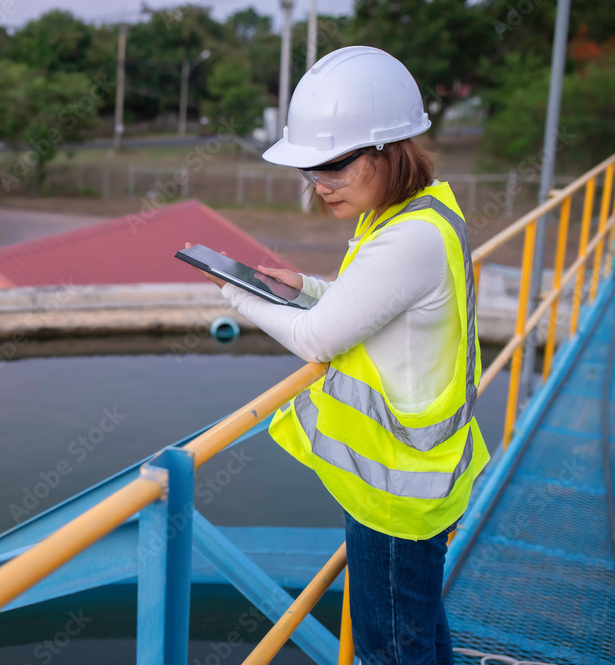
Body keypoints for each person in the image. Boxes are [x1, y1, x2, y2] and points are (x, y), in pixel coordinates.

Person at [195, 46, 488, 665]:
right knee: (422, 633)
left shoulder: (405, 239)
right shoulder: (420, 214)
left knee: (390, 651)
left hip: (395, 494)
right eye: (310, 171)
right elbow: (369, 304)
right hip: (415, 481)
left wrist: (234, 293)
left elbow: (319, 339)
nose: (319, 185)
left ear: (389, 150)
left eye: (334, 166)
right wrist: (298, 287)